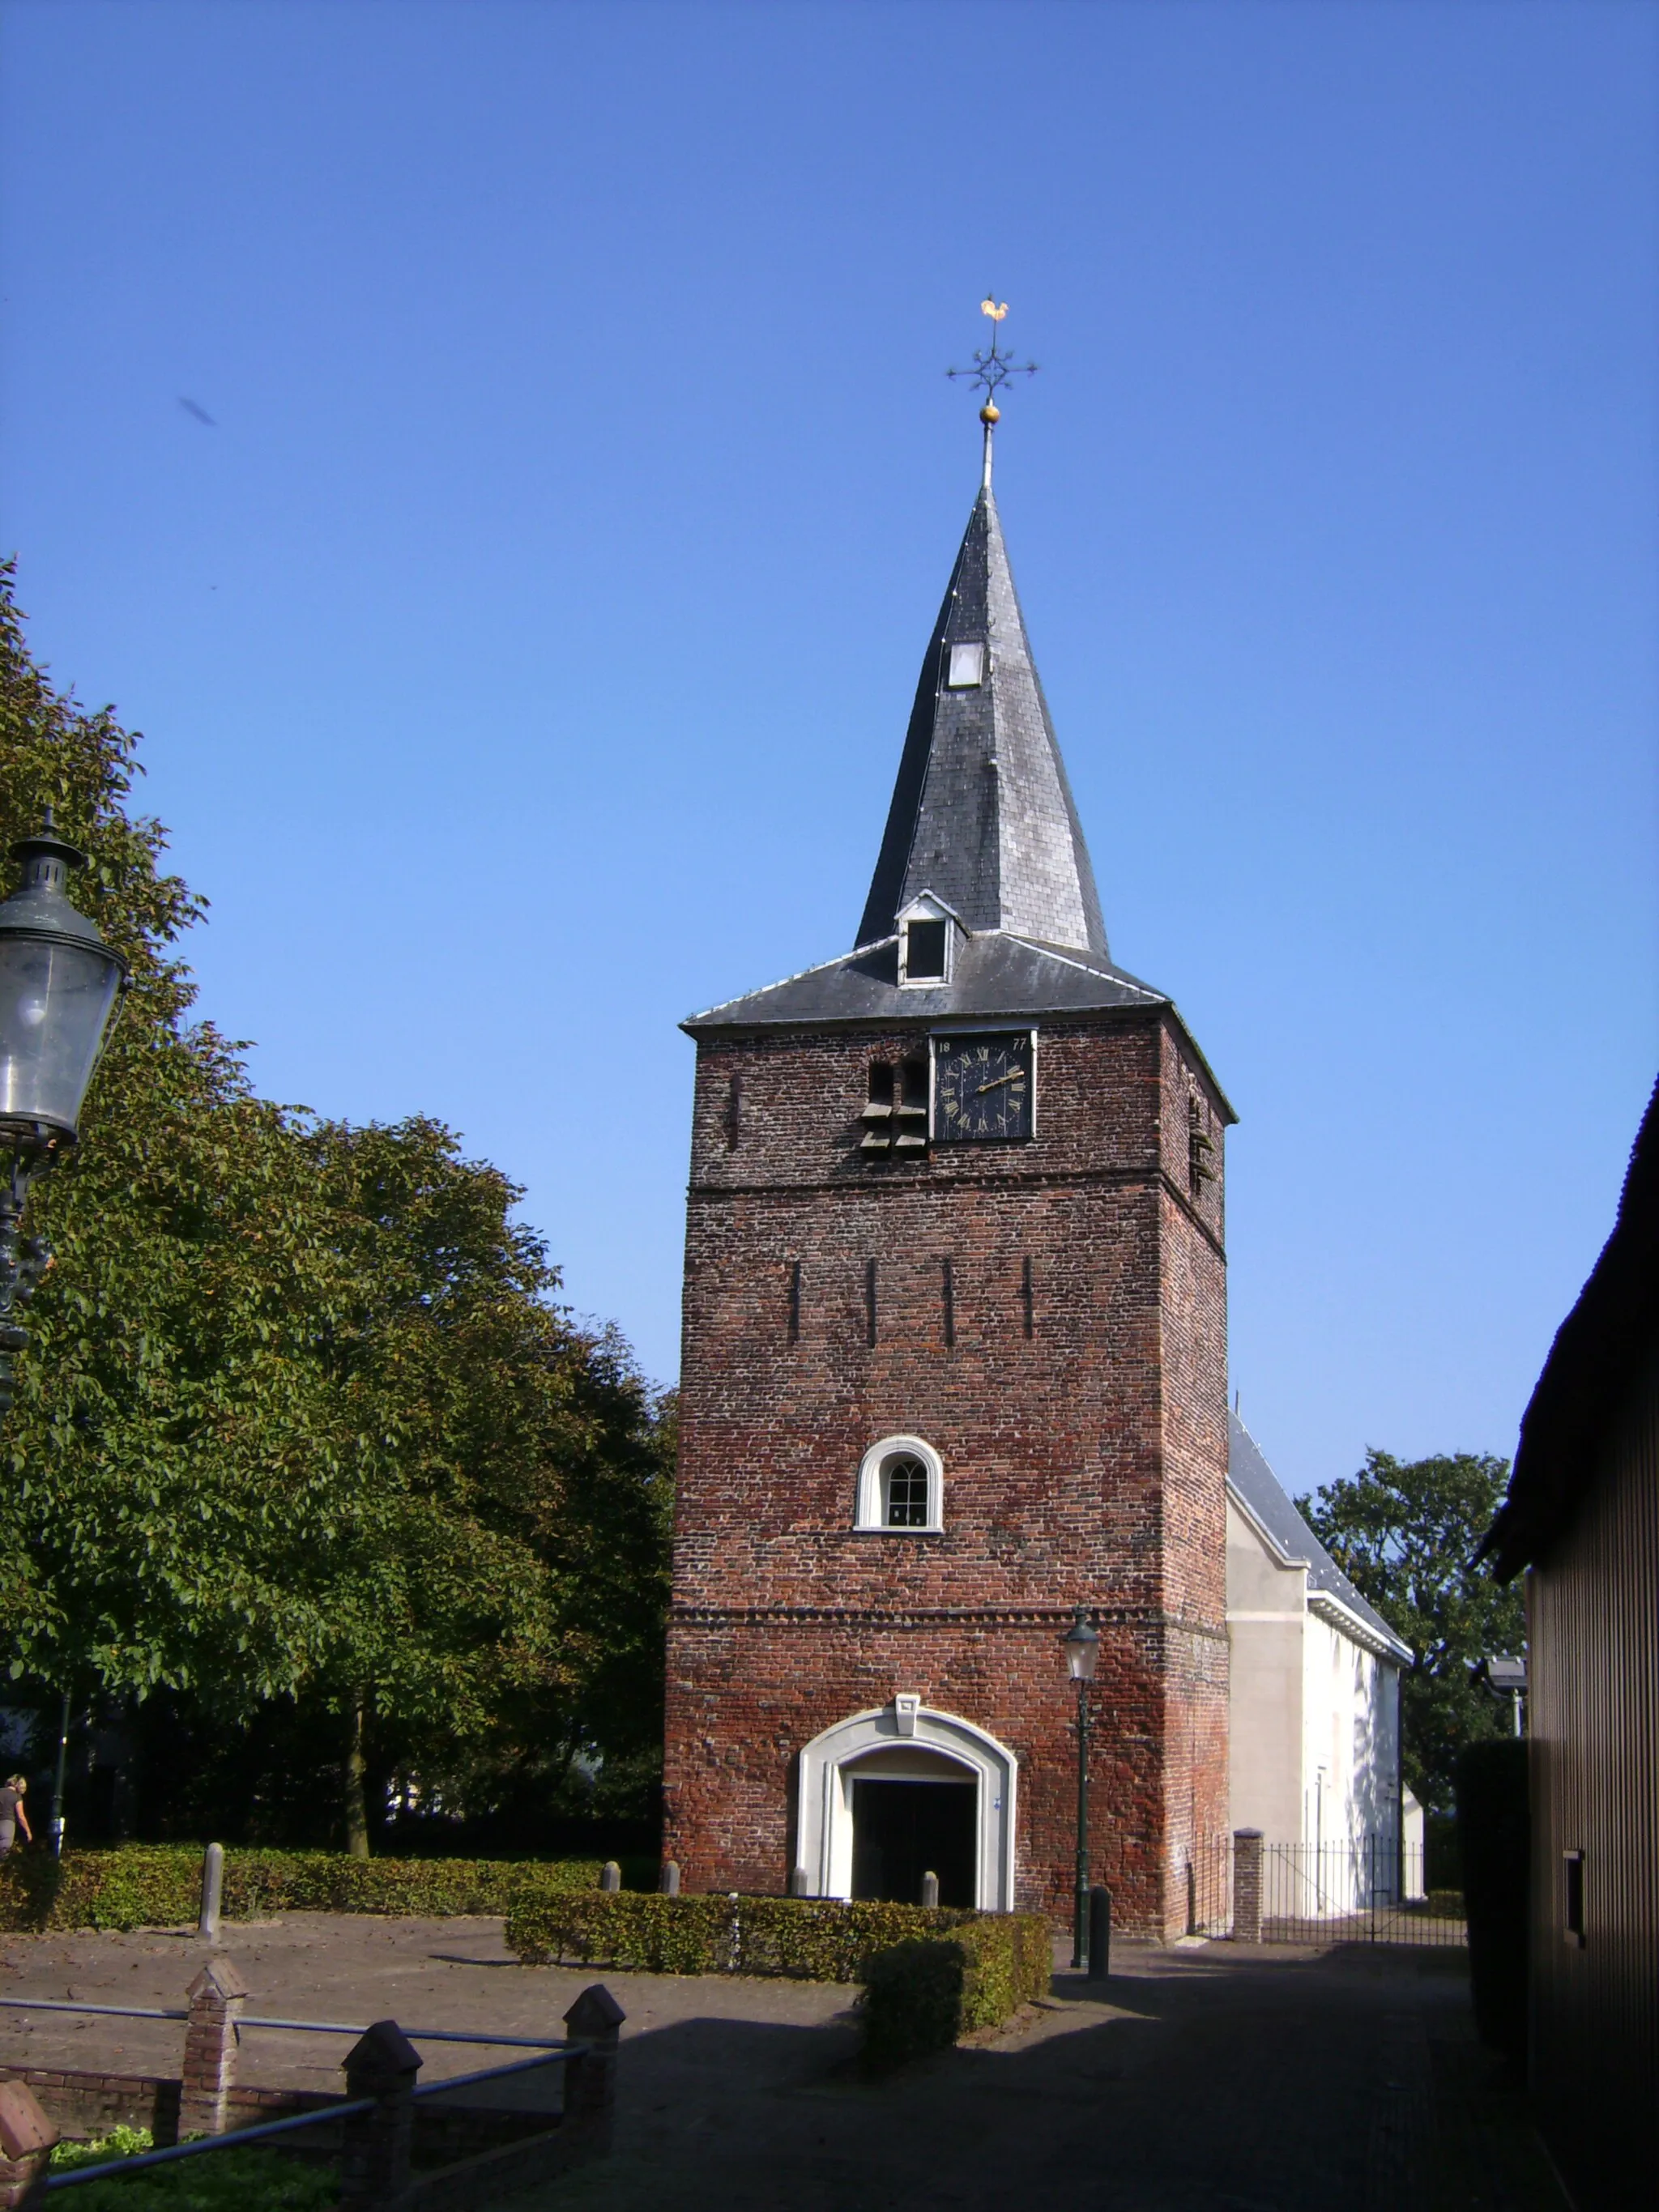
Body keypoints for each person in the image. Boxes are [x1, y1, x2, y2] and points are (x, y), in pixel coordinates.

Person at [0, 1775, 32, 1856]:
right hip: (7, 1825)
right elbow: (21, 1816)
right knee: (4, 1852)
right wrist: (28, 1831)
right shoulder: (17, 1797)